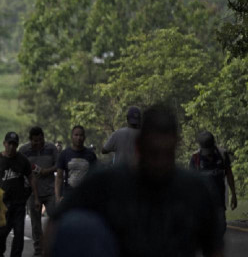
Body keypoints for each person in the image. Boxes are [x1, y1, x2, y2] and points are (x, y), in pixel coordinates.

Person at [46, 104, 225, 257]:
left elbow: (214, 249)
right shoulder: (107, 183)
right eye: (154, 153)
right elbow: (56, 223)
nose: (160, 163)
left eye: (167, 154)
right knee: (74, 225)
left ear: (175, 146)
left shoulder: (195, 190)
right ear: (139, 146)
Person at [0, 132, 36, 257]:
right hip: (3, 204)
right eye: (9, 144)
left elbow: (31, 177)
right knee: (1, 233)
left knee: (19, 234)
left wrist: (36, 197)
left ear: (17, 145)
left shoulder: (22, 160)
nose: (11, 147)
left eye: (14, 144)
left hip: (19, 204)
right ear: (4, 144)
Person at [18, 127, 58, 256]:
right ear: (30, 140)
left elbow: (59, 164)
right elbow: (19, 168)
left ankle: (54, 246)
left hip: (50, 190)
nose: (39, 143)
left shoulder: (51, 148)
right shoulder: (24, 151)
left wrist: (48, 170)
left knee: (55, 219)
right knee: (36, 223)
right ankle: (38, 249)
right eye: (35, 141)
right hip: (32, 192)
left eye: (41, 140)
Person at [189, 130, 238, 232]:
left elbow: (229, 174)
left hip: (219, 201)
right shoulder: (195, 158)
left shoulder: (222, 154)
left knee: (220, 228)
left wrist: (233, 195)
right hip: (202, 202)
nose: (208, 154)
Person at [55, 125, 97, 203]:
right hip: (69, 196)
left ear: (84, 137)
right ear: (72, 137)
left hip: (87, 197)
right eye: (76, 135)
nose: (79, 138)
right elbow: (59, 177)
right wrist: (58, 198)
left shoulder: (90, 154)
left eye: (81, 135)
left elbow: (95, 176)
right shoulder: (64, 154)